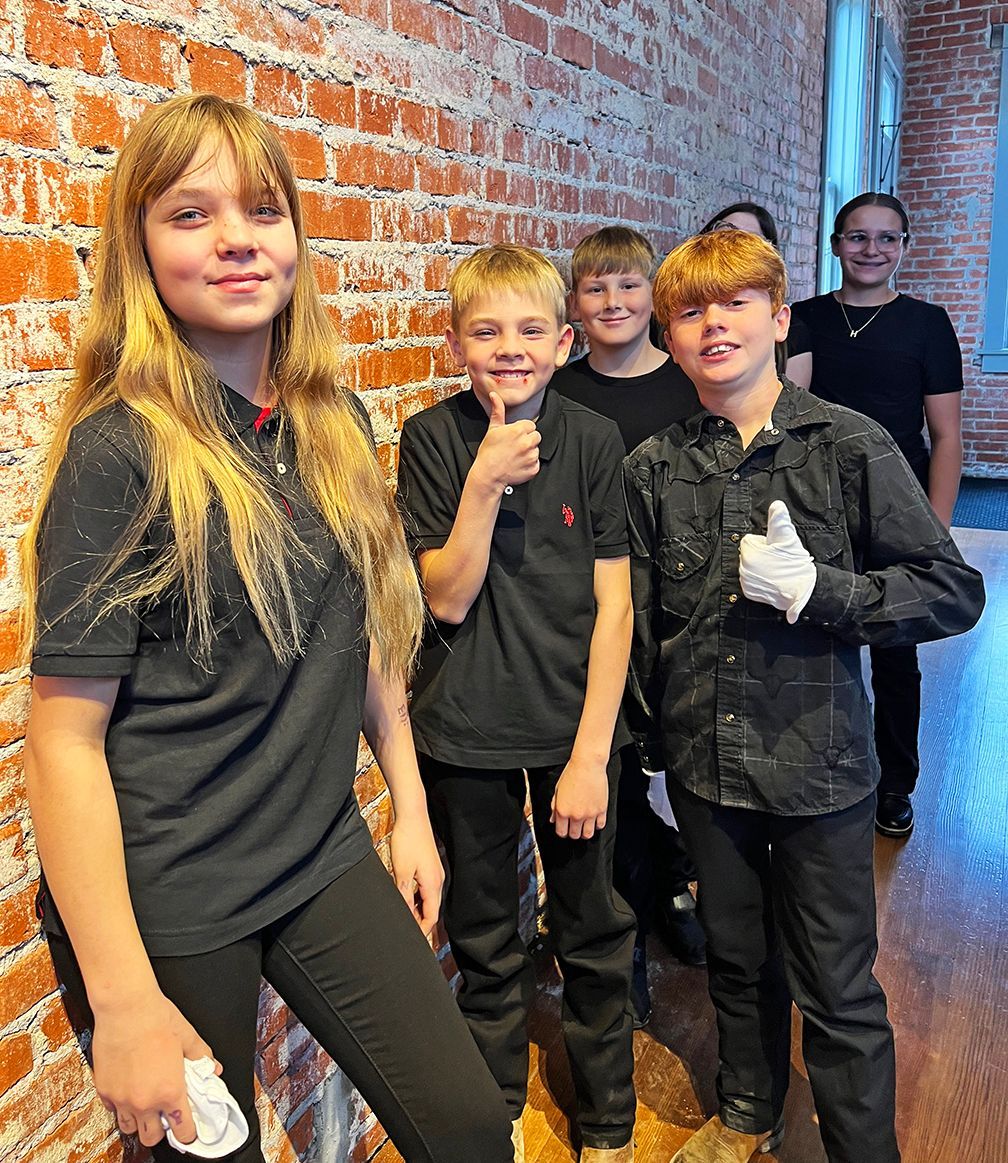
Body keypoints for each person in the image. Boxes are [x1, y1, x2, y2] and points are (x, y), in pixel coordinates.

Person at [20, 93, 513, 1163]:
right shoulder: (123, 453)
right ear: (140, 249)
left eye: (262, 208)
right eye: (190, 214)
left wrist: (411, 807)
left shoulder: (331, 422)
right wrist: (125, 1000)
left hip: (315, 845)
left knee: (471, 1126)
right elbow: (61, 745)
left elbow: (374, 633)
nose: (238, 238)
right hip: (172, 888)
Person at [624, 228, 984, 1163]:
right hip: (708, 768)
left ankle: (864, 1149)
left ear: (780, 318)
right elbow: (639, 625)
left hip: (819, 768)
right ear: (669, 335)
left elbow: (953, 590)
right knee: (737, 963)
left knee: (837, 985)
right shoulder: (654, 468)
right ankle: (747, 1114)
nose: (714, 325)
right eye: (691, 310)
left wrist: (826, 593)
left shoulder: (848, 447)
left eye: (737, 303)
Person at [397, 244, 637, 1163]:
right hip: (466, 729)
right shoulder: (432, 438)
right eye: (487, 330)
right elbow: (445, 597)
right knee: (488, 939)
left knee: (594, 930)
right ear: (457, 341)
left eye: (531, 329)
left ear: (564, 339)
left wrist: (589, 755)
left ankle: (608, 1121)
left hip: (574, 727)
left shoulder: (592, 438)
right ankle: (494, 1109)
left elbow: (614, 607)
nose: (510, 347)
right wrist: (485, 480)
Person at [550, 226, 705, 1028]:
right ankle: (627, 931)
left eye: (628, 286)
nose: (613, 302)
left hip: (677, 612)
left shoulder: (687, 388)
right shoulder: (560, 392)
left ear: (654, 296)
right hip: (593, 614)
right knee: (609, 771)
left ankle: (675, 884)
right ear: (574, 304)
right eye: (595, 288)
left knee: (673, 766)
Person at [791, 192, 965, 839]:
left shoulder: (927, 324)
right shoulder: (803, 319)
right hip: (817, 504)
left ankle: (895, 782)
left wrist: (935, 533)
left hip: (899, 506)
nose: (872, 250)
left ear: (903, 247)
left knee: (895, 652)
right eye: (858, 237)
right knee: (815, 644)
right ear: (836, 244)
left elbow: (945, 435)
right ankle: (817, 769)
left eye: (887, 238)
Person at [700, 200, 813, 389]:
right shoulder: (670, 315)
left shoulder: (793, 331)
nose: (733, 244)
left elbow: (791, 410)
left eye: (749, 239)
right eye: (726, 230)